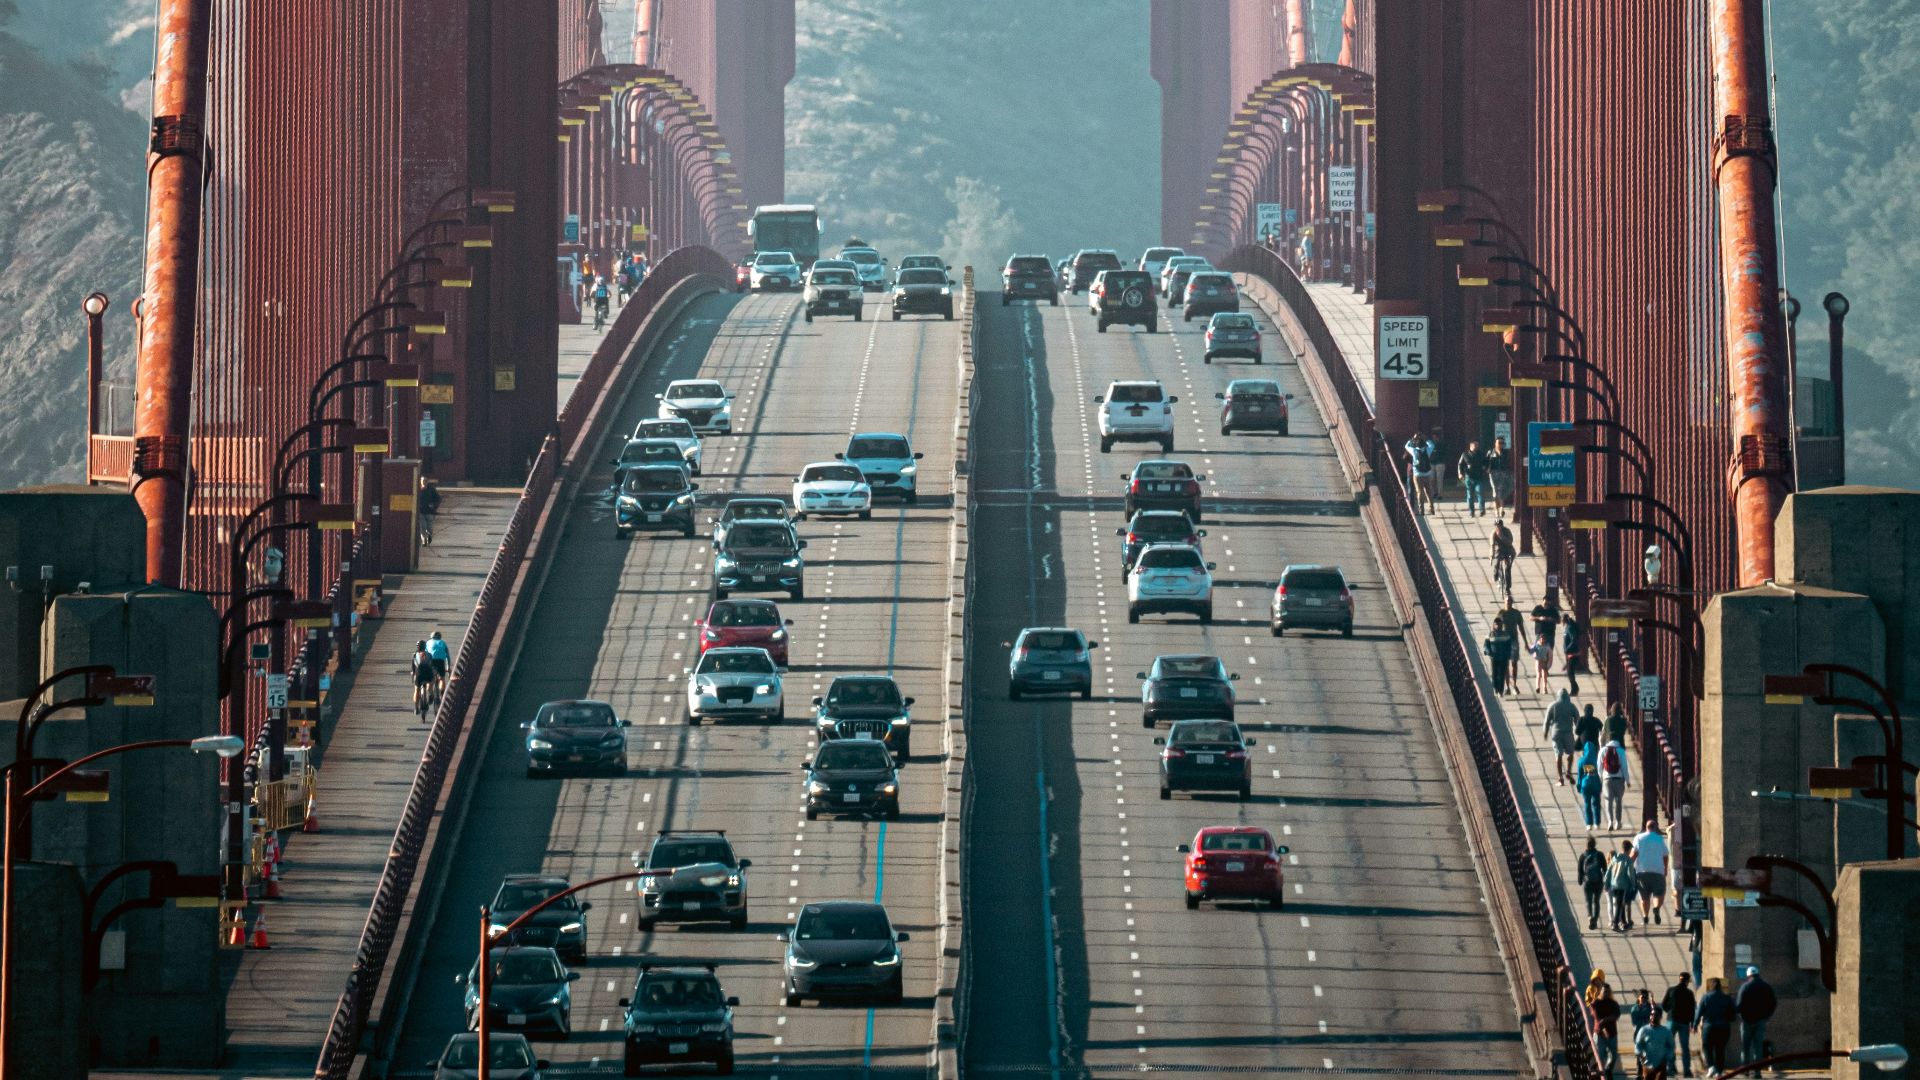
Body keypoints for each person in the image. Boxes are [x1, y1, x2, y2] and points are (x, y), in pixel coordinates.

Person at [1734, 966, 1775, 1068]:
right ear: (1758, 974)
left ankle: (1745, 1069)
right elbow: (1773, 1003)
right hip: (1760, 1021)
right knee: (1758, 1047)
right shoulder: (1766, 986)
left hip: (1746, 1021)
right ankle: (1757, 1071)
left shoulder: (1745, 987)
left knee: (1745, 1047)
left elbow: (1739, 1005)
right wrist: (1767, 1016)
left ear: (1748, 976)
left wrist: (1739, 1015)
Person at [1633, 820, 1672, 927]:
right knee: (1659, 893)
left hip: (1642, 871)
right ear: (1655, 827)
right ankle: (1656, 908)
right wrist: (1665, 869)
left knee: (1644, 897)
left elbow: (1634, 853)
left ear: (1646, 827)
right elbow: (1665, 855)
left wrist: (1629, 866)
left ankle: (1645, 916)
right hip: (1657, 871)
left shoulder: (1638, 838)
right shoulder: (1659, 839)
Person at [1695, 977, 1735, 1076]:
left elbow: (1699, 1012)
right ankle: (1719, 1071)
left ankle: (1711, 1067)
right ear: (1720, 986)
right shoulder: (1727, 998)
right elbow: (1733, 1014)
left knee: (1707, 1047)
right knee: (1720, 1049)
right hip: (1723, 1027)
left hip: (1709, 1027)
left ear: (1710, 986)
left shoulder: (1705, 997)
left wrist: (1695, 1024)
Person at [1661, 973, 1696, 1078]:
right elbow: (1692, 1009)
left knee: (1670, 1045)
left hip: (1671, 1020)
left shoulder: (1671, 990)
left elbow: (1663, 1004)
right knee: (1685, 1047)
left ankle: (1671, 1068)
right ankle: (1687, 1071)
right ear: (1687, 981)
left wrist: (1670, 1012)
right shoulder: (1689, 993)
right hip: (1684, 1022)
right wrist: (1692, 1023)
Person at [1544, 688, 1580, 783]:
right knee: (1571, 752)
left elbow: (1547, 720)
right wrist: (1578, 732)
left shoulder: (1553, 705)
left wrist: (1545, 731)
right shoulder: (1572, 706)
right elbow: (1577, 719)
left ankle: (1560, 777)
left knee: (1558, 754)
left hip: (1556, 733)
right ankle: (1568, 771)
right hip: (1568, 733)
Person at [1599, 736, 1633, 829]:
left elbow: (1599, 766)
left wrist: (1601, 778)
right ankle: (1618, 822)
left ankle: (1610, 821)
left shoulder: (1603, 750)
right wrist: (1627, 781)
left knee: (1608, 801)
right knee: (1618, 801)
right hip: (1619, 779)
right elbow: (1624, 767)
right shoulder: (1621, 751)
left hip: (1607, 779)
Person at [1636, 1006, 1676, 1080]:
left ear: (1660, 1017)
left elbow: (1671, 1046)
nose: (1653, 1016)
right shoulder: (1644, 1030)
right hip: (1647, 1065)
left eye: (1656, 1015)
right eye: (1652, 1014)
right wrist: (1641, 1055)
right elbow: (1638, 1045)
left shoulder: (1666, 1031)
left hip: (1661, 1066)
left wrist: (1668, 1057)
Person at [1591, 983, 1623, 1074]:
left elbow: (1617, 1015)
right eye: (1604, 991)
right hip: (1599, 1034)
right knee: (1600, 1056)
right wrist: (1607, 1021)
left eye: (1608, 991)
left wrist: (1606, 1019)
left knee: (1613, 1056)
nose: (1606, 993)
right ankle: (1600, 1073)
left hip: (1612, 1033)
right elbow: (1597, 1018)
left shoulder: (1613, 1003)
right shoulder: (1595, 1003)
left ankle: (1608, 1070)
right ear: (1600, 992)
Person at [1607, 840, 1639, 931]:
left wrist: (1606, 881)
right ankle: (1615, 923)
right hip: (1622, 885)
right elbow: (1630, 874)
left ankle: (1623, 922)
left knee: (1620, 903)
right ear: (1629, 849)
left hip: (1613, 884)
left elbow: (1609, 870)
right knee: (1620, 904)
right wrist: (1633, 884)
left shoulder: (1615, 858)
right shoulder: (1628, 860)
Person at [1577, 836, 1608, 930]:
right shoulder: (1599, 855)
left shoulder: (1583, 856)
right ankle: (1595, 919)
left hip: (1587, 882)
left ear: (1586, 845)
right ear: (1595, 844)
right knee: (1596, 901)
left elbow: (1580, 870)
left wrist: (1580, 880)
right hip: (1598, 881)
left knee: (1588, 901)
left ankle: (1590, 916)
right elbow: (1605, 868)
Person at [1498, 598, 1528, 690]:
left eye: (1510, 601)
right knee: (1506, 664)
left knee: (1514, 663)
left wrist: (1525, 642)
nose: (1509, 603)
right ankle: (1507, 686)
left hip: (1514, 640)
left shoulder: (1516, 613)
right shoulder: (1501, 613)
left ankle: (1514, 684)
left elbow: (1521, 627)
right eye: (1507, 601)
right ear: (1504, 602)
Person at [1404, 432, 1438, 514]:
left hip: (1417, 474)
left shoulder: (1414, 451)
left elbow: (1406, 446)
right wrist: (1425, 437)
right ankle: (1431, 509)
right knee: (1429, 492)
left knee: (1419, 492)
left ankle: (1421, 510)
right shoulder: (1427, 450)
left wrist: (1413, 438)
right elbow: (1432, 444)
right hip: (1427, 474)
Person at [1575, 739, 1603, 832]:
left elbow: (1579, 775)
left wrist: (1578, 786)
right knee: (1596, 804)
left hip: (1585, 785)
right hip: (1596, 784)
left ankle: (1588, 824)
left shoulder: (1581, 761)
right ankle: (1597, 823)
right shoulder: (1597, 760)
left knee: (1587, 804)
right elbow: (1600, 773)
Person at [1458, 440, 1490, 516]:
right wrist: (1460, 473)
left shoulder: (1481, 454)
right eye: (1474, 445)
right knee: (1470, 496)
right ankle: (1471, 511)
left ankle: (1482, 510)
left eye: (1477, 445)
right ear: (1470, 446)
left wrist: (1486, 468)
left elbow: (1486, 462)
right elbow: (1460, 464)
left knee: (1480, 493)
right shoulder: (1465, 454)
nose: (1476, 447)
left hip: (1479, 477)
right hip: (1469, 477)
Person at [1485, 625, 1514, 695]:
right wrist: (1489, 652)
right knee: (1494, 674)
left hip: (1504, 658)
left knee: (1502, 674)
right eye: (1496, 624)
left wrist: (1508, 655)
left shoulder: (1506, 635)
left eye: (1499, 624)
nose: (1498, 626)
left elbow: (1509, 646)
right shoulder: (1490, 634)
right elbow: (1486, 645)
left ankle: (1500, 691)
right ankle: (1495, 688)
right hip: (1494, 658)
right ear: (1493, 625)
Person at [1562, 612, 1587, 696]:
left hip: (1572, 653)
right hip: (1569, 653)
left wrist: (1568, 649)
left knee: (1570, 673)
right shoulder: (1567, 627)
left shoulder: (1570, 628)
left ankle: (1574, 689)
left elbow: (1574, 639)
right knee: (1570, 672)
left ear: (1564, 620)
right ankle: (1574, 689)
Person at [1488, 436, 1514, 514]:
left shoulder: (1506, 452)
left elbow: (1509, 461)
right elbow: (1486, 461)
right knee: (1495, 490)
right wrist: (1487, 468)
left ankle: (1501, 507)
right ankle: (1496, 509)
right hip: (1493, 473)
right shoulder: (1490, 452)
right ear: (1495, 443)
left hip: (1503, 472)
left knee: (1502, 491)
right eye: (1499, 443)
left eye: (1502, 443)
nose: (1501, 444)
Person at [1490, 516, 1516, 594]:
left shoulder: (1507, 531)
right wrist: (1491, 556)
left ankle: (1508, 587)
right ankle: (1495, 576)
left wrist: (1502, 537)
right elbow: (1492, 545)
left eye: (1499, 525)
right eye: (1496, 525)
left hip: (1508, 550)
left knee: (1508, 568)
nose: (1498, 527)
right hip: (1499, 550)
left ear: (1502, 525)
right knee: (1496, 563)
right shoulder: (1493, 533)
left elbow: (1510, 541)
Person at [410, 639, 436, 713]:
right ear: (425, 647)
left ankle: (416, 708)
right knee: (431, 683)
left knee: (416, 690)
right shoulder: (429, 655)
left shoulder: (414, 655)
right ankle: (431, 694)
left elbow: (413, 669)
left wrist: (413, 676)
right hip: (428, 674)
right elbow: (432, 666)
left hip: (419, 675)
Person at [417, 477, 441, 547]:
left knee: (429, 528)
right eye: (422, 481)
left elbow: (438, 498)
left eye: (425, 481)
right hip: (421, 511)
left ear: (427, 482)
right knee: (423, 527)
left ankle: (429, 537)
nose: (423, 482)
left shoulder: (431, 489)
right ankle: (424, 541)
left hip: (430, 511)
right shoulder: (417, 489)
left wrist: (434, 505)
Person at [426, 630, 451, 696]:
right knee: (442, 678)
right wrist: (448, 667)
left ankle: (430, 694)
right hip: (440, 661)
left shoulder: (428, 642)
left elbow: (425, 654)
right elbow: (448, 656)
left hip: (431, 661)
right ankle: (442, 692)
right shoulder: (443, 643)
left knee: (430, 679)